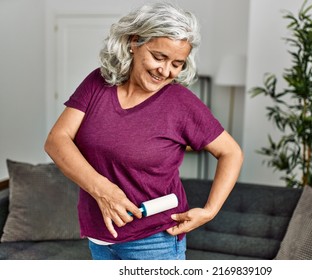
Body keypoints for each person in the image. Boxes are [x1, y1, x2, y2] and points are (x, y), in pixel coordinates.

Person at [44, 2, 243, 260]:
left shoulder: (180, 103)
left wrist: (210, 210)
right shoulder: (98, 82)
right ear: (134, 42)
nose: (165, 70)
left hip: (154, 241)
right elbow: (57, 141)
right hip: (99, 238)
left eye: (177, 63)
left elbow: (231, 152)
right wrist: (102, 189)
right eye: (159, 57)